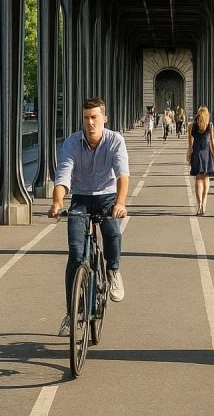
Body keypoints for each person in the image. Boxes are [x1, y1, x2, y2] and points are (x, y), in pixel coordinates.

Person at [49, 98, 130, 338]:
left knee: (113, 232)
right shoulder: (72, 143)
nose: (90, 123)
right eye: (86, 118)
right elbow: (63, 175)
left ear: (104, 118)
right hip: (81, 198)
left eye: (94, 117)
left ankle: (113, 271)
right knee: (75, 255)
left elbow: (122, 174)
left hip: (106, 197)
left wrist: (121, 203)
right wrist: (56, 202)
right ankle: (71, 313)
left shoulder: (115, 141)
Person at [186, 106, 214, 216]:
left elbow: (190, 145)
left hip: (196, 154)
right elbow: (212, 143)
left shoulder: (191, 126)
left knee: (198, 180)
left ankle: (199, 204)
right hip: (207, 155)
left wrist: (189, 156)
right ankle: (204, 203)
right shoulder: (210, 126)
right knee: (206, 180)